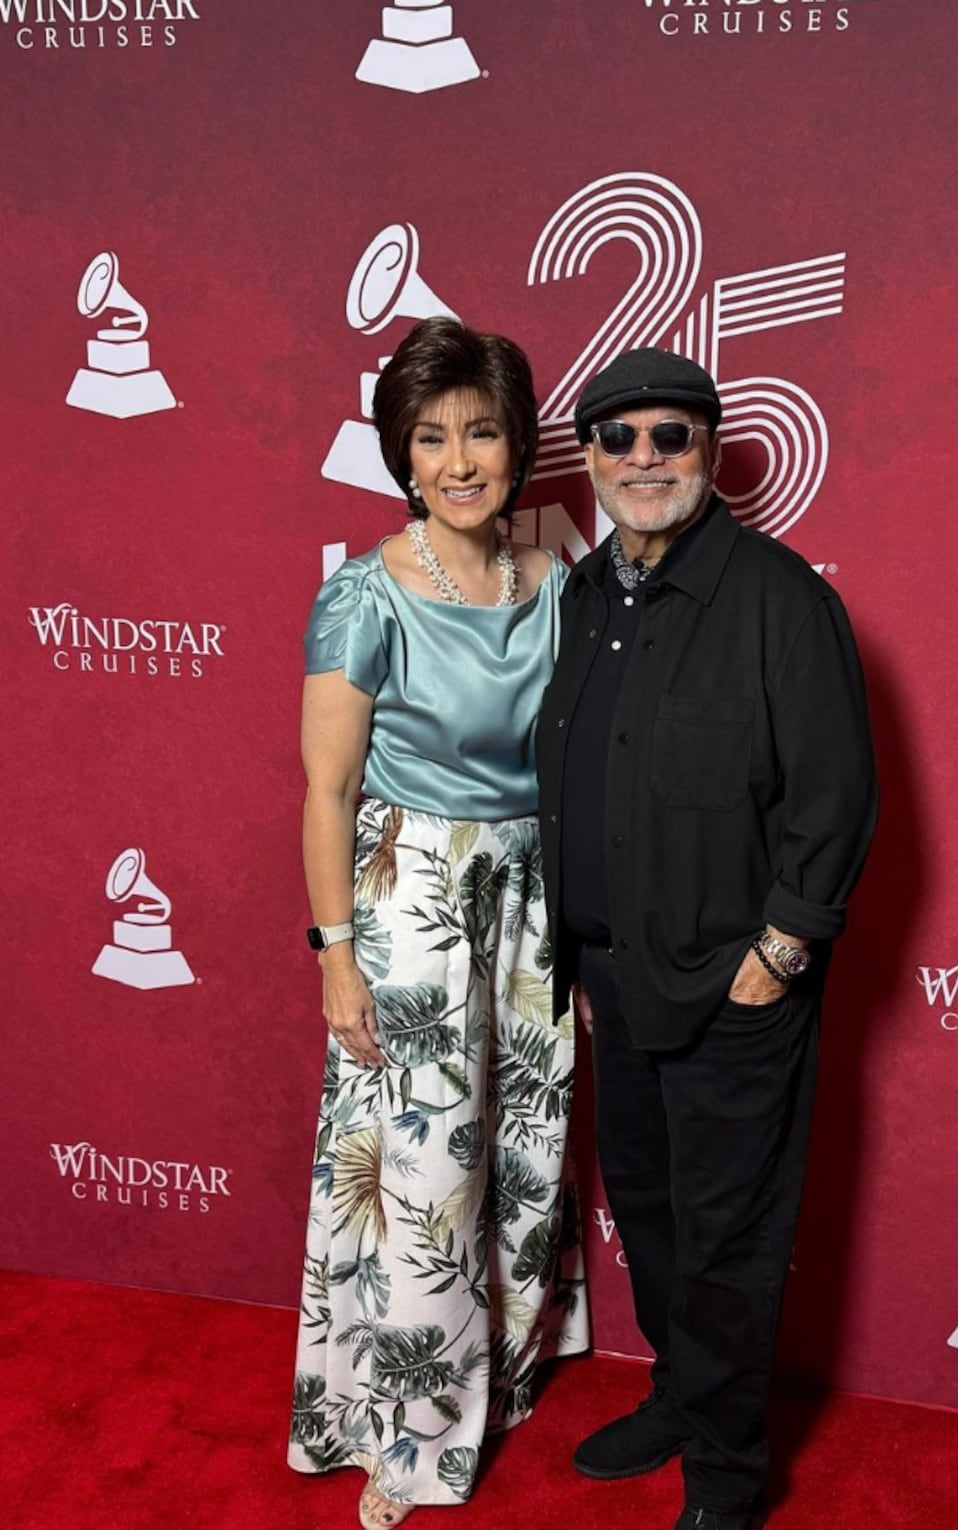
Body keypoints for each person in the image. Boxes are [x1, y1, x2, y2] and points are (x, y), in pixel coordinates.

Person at [536, 349, 877, 1530]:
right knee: (656, 1213)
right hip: (613, 983)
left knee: (731, 1243)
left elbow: (833, 800)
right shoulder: (582, 600)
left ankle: (727, 1478)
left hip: (736, 990)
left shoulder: (784, 601)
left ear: (711, 451)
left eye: (669, 437)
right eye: (618, 439)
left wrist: (775, 959)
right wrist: (579, 957)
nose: (644, 460)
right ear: (587, 457)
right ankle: (682, 1396)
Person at [289, 317, 588, 1529]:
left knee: (526, 1139)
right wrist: (334, 957)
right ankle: (401, 1431)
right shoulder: (364, 595)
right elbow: (325, 790)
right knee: (421, 1166)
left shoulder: (558, 585)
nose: (460, 459)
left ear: (518, 446)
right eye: (432, 437)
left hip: (532, 895)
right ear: (402, 457)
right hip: (414, 896)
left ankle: (499, 1370)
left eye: (482, 431)